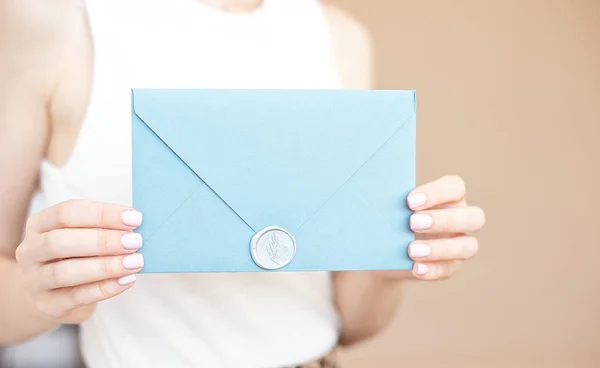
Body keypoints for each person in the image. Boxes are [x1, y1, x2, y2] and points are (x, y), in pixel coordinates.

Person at [0, 0, 486, 367]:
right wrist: (43, 293)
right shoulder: (52, 21)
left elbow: (351, 322)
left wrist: (394, 261)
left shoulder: (339, 37)